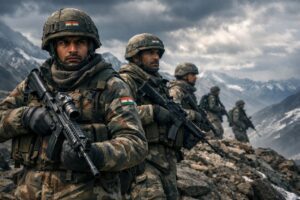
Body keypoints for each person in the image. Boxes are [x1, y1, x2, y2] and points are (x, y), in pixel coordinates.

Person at [0, 8, 147, 200]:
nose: (72, 49)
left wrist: (96, 154)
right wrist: (25, 117)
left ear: (90, 46)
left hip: (89, 191)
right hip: (29, 191)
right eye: (64, 43)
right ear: (53, 47)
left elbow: (136, 144)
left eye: (80, 42)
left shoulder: (111, 86)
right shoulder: (33, 84)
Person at [119, 33, 182, 199]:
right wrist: (153, 111)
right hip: (141, 159)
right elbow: (118, 113)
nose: (156, 58)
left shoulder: (158, 82)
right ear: (136, 56)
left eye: (157, 53)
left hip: (164, 159)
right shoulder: (126, 81)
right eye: (150, 53)